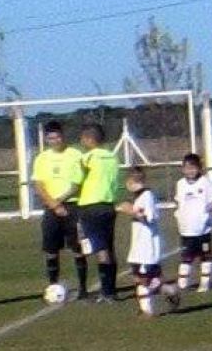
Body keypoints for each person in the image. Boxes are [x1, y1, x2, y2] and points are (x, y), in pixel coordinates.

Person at [31, 120, 89, 299]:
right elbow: (39, 184)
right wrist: (54, 204)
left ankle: (83, 289)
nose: (54, 141)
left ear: (63, 136)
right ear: (46, 139)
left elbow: (76, 184)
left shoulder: (75, 154)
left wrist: (60, 202)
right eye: (51, 138)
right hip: (51, 208)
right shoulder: (42, 158)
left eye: (57, 137)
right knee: (50, 249)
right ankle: (52, 286)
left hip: (71, 206)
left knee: (77, 247)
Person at [117, 166, 180, 317]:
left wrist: (130, 210)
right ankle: (168, 290)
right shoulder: (139, 197)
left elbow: (148, 217)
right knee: (140, 278)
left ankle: (147, 310)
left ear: (132, 182)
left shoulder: (147, 196)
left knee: (144, 280)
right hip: (138, 247)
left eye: (129, 181)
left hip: (146, 248)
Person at [76, 123, 120, 303]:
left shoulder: (87, 158)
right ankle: (111, 289)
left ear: (89, 139)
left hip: (91, 206)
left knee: (100, 249)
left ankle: (107, 292)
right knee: (109, 248)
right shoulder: (112, 157)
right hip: (108, 206)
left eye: (82, 138)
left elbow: (76, 182)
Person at [174, 153, 212, 293]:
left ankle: (204, 283)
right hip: (186, 229)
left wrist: (211, 206)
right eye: (187, 168)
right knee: (186, 258)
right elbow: (178, 200)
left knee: (205, 257)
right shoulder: (180, 184)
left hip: (203, 229)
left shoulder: (205, 182)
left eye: (193, 168)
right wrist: (179, 214)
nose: (190, 171)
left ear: (199, 169)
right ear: (183, 169)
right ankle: (182, 283)